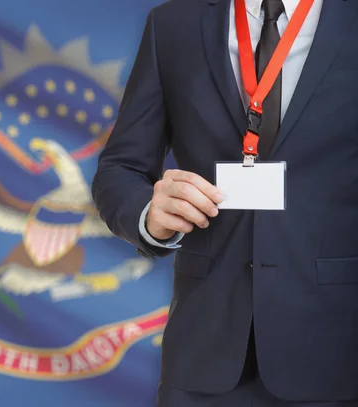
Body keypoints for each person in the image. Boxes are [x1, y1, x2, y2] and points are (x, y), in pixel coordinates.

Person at [91, 0, 358, 405]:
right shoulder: (173, 24)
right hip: (203, 355)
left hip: (338, 351)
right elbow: (120, 167)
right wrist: (147, 214)